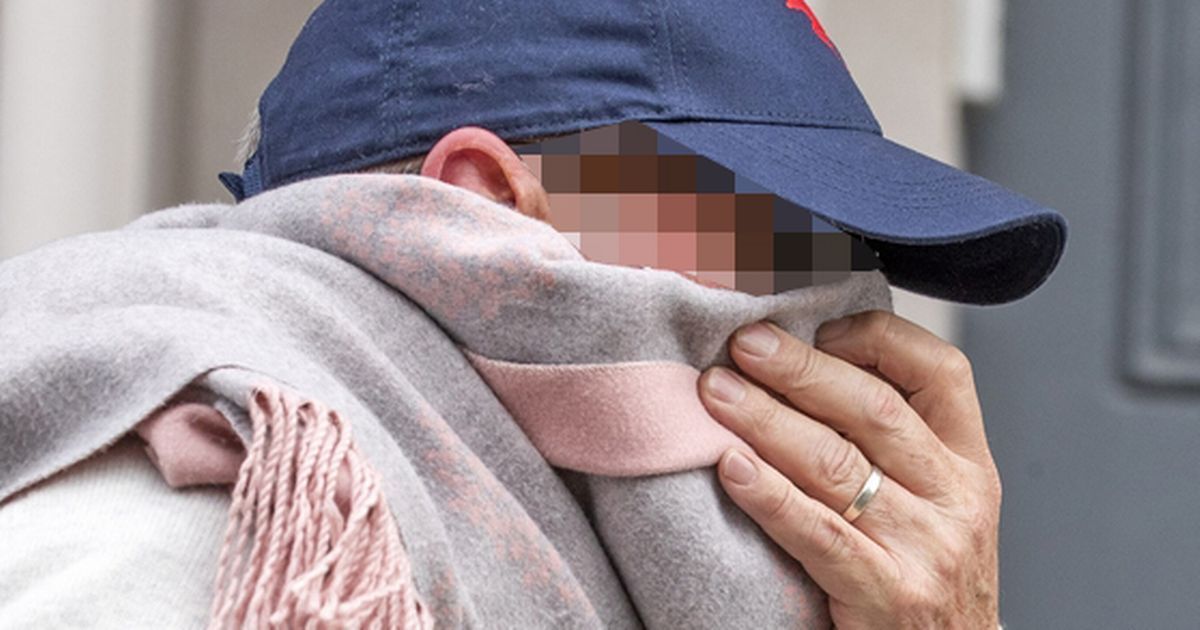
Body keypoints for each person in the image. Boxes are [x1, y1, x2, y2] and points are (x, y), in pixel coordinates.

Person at [0, 1, 1065, 628]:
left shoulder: (573, 548)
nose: (838, 305)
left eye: (852, 253)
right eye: (776, 239)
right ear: (484, 219)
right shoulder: (244, 538)